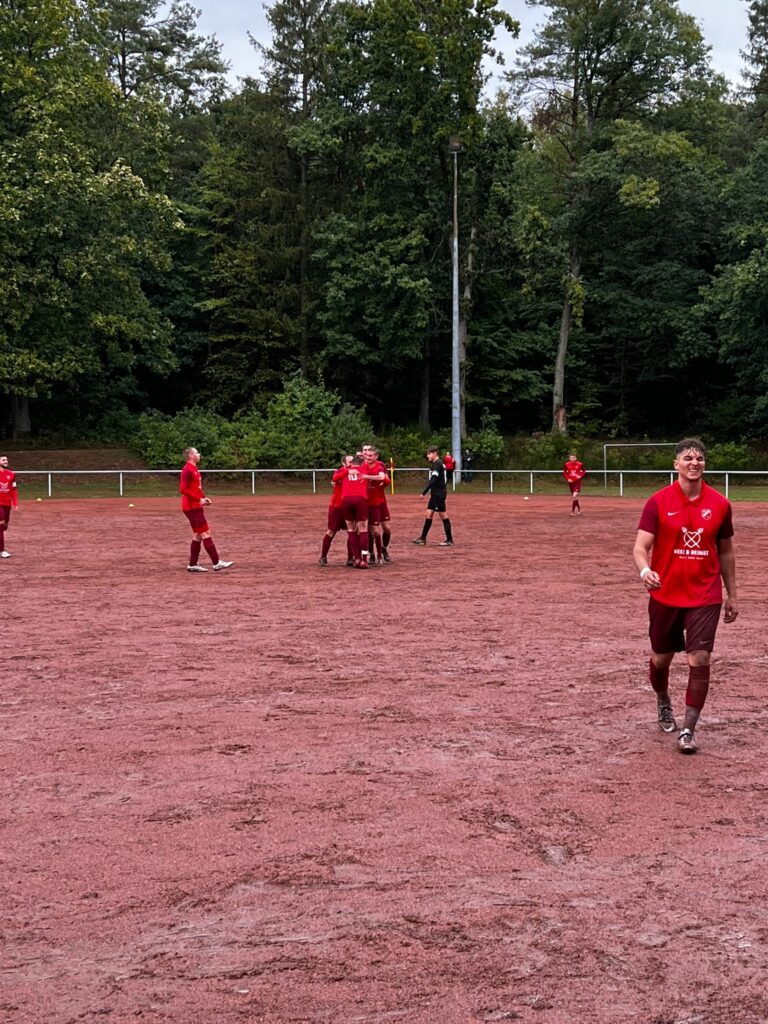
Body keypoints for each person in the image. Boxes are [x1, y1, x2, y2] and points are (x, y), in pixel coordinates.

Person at [633, 438, 738, 755]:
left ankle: (689, 729)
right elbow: (640, 547)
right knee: (660, 658)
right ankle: (663, 698)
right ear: (676, 464)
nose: (695, 462)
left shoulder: (720, 504)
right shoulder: (658, 502)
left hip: (705, 594)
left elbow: (727, 552)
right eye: (688, 457)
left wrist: (732, 594)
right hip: (665, 594)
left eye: (700, 458)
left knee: (699, 658)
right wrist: (645, 571)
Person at [179, 447, 233, 573]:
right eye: (197, 452)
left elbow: (195, 488)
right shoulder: (187, 470)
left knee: (197, 535)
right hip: (191, 507)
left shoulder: (194, 468)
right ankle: (216, 563)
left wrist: (203, 497)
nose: (199, 454)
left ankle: (192, 564)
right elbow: (183, 489)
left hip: (195, 506)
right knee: (206, 533)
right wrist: (199, 499)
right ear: (191, 455)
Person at [333, 455, 382, 568]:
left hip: (346, 500)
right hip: (361, 499)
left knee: (351, 529)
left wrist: (347, 471)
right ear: (362, 463)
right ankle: (364, 560)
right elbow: (380, 477)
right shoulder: (364, 469)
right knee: (363, 529)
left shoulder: (345, 471)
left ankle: (356, 559)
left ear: (352, 463)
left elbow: (335, 479)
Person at [412, 446, 453, 547]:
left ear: (434, 453)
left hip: (438, 494)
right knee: (428, 514)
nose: (427, 456)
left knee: (443, 515)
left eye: (429, 454)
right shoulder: (437, 464)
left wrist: (424, 492)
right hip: (436, 494)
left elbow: (434, 479)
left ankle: (449, 539)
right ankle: (422, 538)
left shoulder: (437, 464)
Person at [319, 455, 354, 566]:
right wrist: (348, 471)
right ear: (344, 463)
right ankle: (323, 557)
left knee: (352, 531)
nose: (352, 464)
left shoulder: (357, 472)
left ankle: (350, 558)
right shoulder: (340, 471)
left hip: (349, 506)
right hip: (337, 507)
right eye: (350, 462)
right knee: (331, 531)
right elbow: (335, 478)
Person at [361, 444, 391, 565]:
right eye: (366, 454)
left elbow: (383, 477)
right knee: (370, 530)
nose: (368, 456)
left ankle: (384, 548)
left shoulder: (380, 465)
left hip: (380, 502)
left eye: (370, 454)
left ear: (376, 456)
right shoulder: (362, 466)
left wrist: (367, 477)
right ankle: (372, 553)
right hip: (367, 502)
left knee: (387, 529)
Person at [0, 454, 19, 559]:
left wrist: (15, 503)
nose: (6, 461)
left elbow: (14, 490)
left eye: (6, 459)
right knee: (0, 525)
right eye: (3, 460)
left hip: (7, 504)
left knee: (4, 527)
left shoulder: (11, 474)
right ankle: (2, 550)